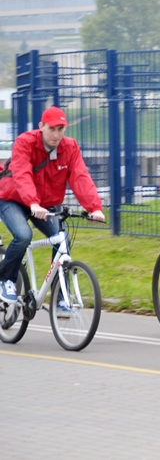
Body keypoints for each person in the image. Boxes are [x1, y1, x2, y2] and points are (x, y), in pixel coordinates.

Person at [0, 106, 105, 313]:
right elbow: (22, 174)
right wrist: (32, 202)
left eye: (61, 129)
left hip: (44, 205)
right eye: (52, 129)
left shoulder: (70, 147)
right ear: (41, 127)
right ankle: (5, 280)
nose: (57, 134)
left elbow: (80, 177)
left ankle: (60, 299)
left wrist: (95, 208)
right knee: (23, 235)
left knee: (62, 240)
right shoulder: (25, 142)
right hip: (13, 199)